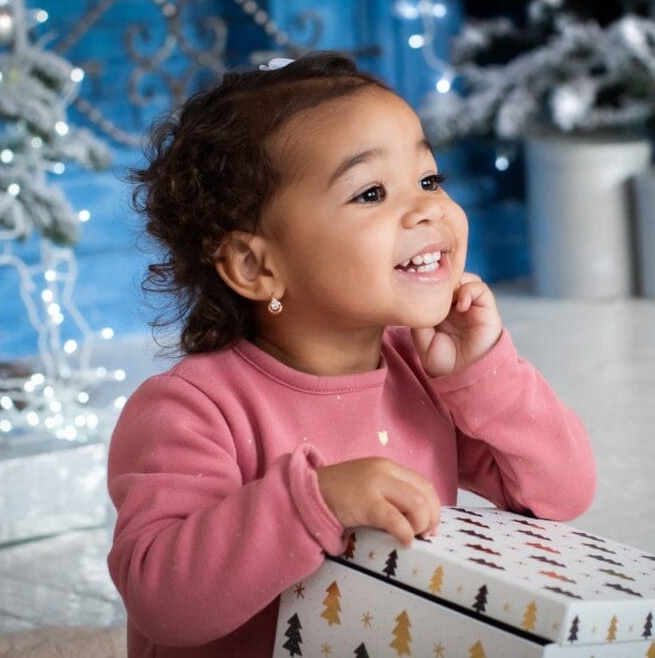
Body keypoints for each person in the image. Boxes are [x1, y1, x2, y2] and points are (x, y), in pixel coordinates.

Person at [107, 52, 596, 657]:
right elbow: (161, 601)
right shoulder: (191, 409)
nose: (427, 208)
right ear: (256, 266)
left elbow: (563, 493)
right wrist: (314, 501)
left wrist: (484, 374)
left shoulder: (421, 372)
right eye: (371, 192)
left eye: (429, 180)